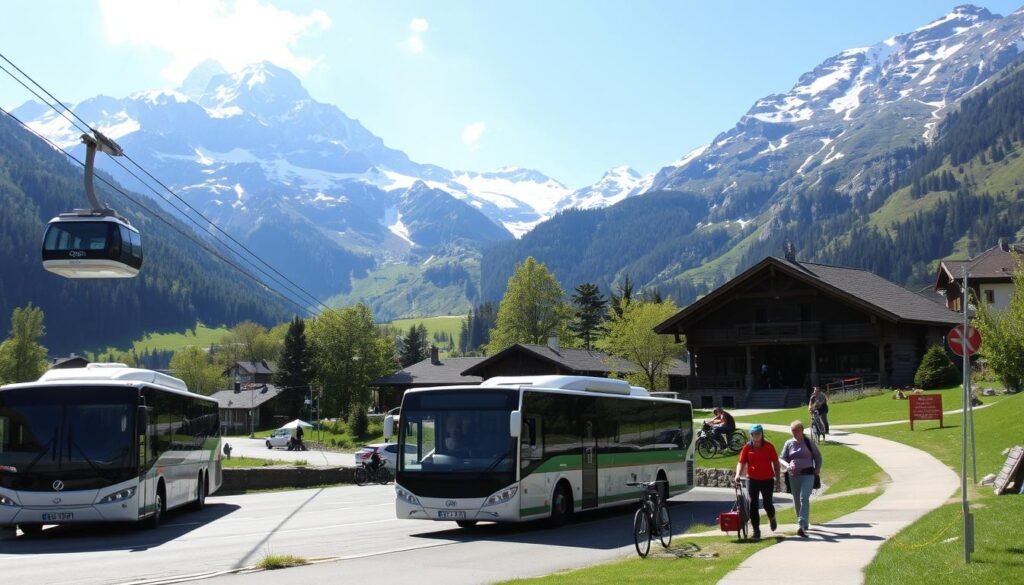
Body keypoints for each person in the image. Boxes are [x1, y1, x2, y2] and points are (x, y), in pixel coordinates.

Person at [734, 424, 780, 539]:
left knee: (767, 504)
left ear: (762, 434)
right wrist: (738, 474)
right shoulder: (747, 448)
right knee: (752, 505)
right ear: (751, 435)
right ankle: (756, 530)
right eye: (754, 434)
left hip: (767, 479)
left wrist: (778, 479)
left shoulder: (769, 446)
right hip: (752, 479)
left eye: (758, 434)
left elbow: (775, 462)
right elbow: (741, 462)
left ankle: (772, 517)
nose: (756, 436)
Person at [779, 420, 823, 537]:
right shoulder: (788, 443)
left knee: (804, 497)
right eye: (792, 430)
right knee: (796, 499)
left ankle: (801, 524)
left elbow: (818, 456)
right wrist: (788, 465)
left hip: (808, 474)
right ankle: (804, 522)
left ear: (802, 430)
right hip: (793, 475)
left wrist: (817, 468)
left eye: (796, 430)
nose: (794, 432)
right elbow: (782, 458)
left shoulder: (809, 442)